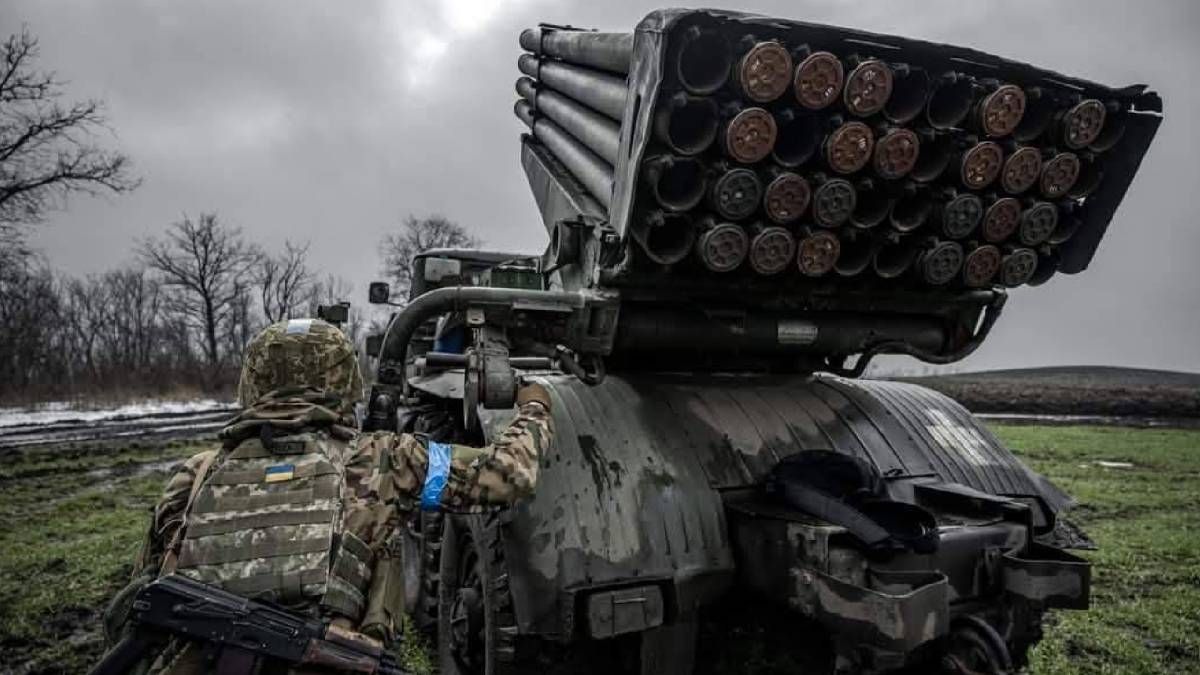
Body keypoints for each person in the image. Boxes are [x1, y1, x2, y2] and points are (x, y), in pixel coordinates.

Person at [103, 317, 553, 673]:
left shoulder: (194, 474)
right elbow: (508, 474)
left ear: (253, 383)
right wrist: (534, 405)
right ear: (343, 383)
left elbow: (136, 600)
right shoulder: (386, 462)